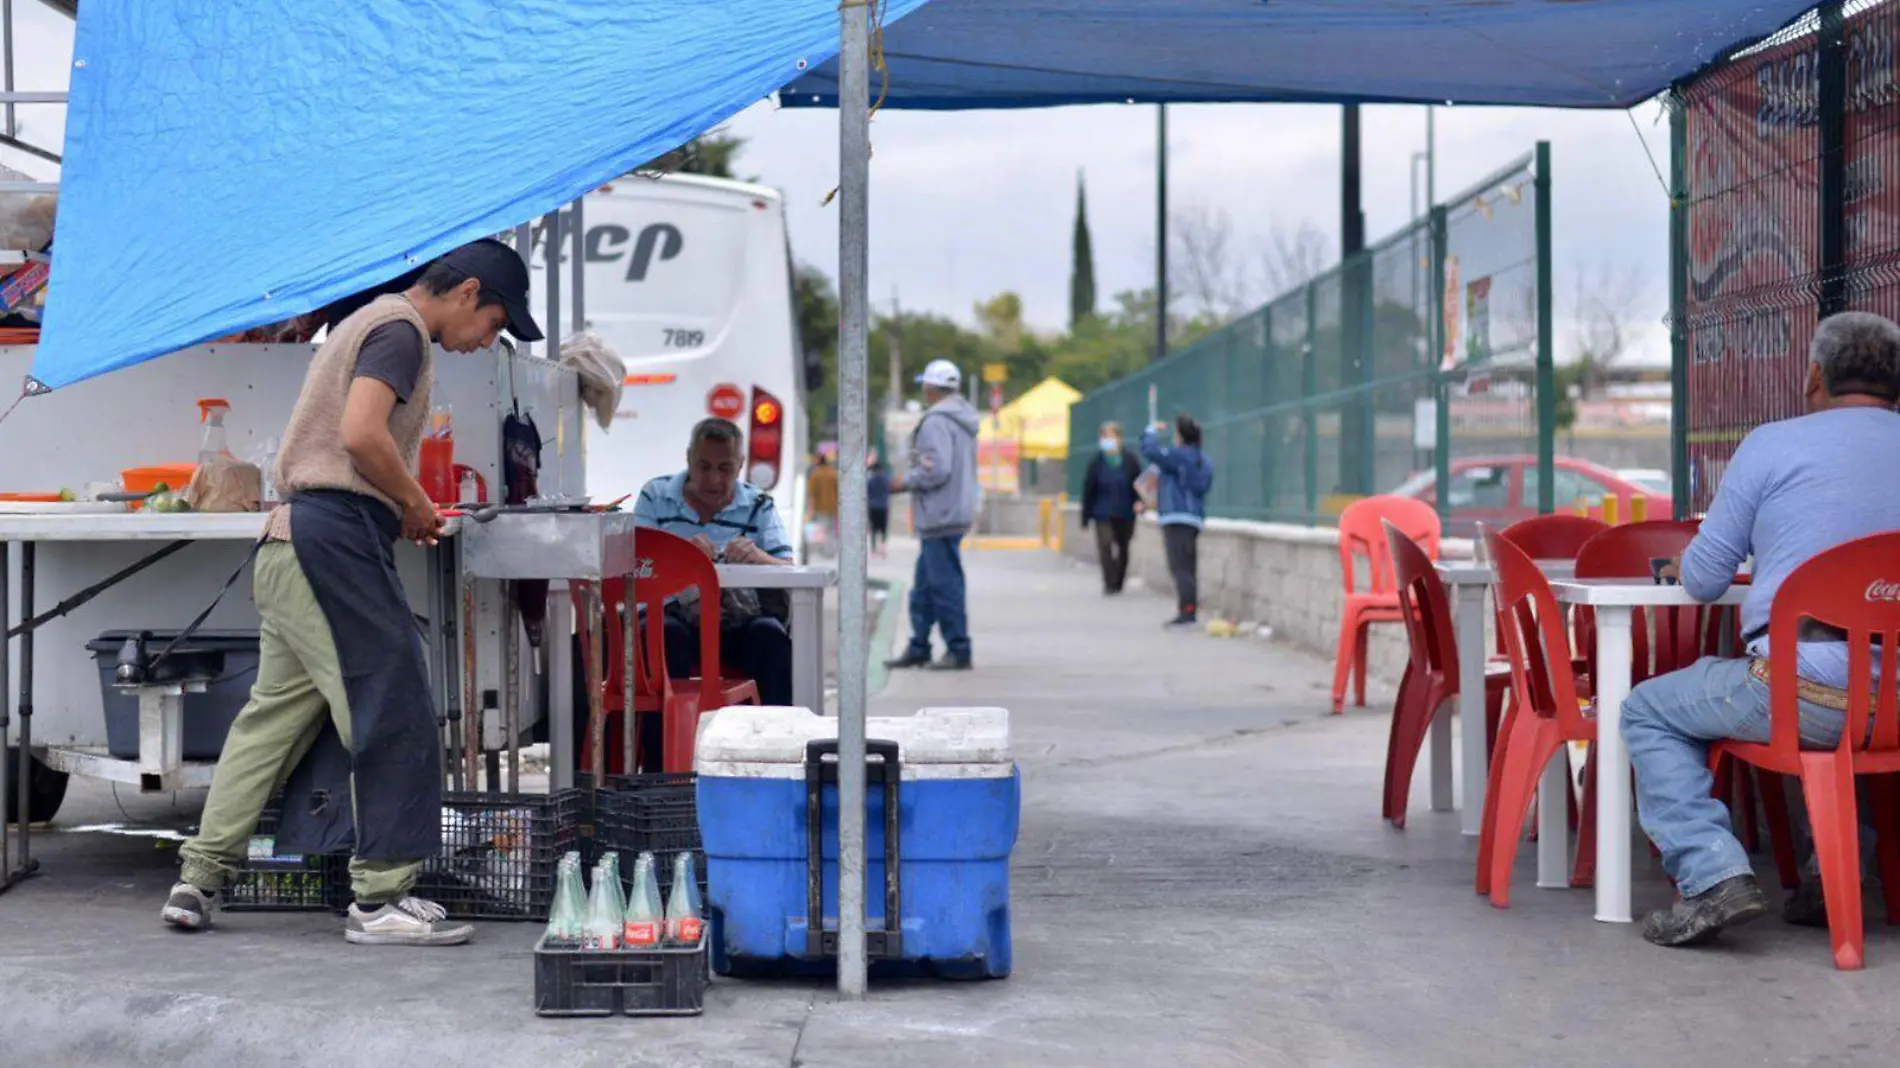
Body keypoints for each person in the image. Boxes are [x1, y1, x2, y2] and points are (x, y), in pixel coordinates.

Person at [163, 238, 544, 945]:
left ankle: (199, 877)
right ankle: (381, 898)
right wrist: (415, 502)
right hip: (328, 544)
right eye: (493, 323)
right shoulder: (401, 330)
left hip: (292, 544)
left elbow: (349, 445)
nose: (487, 339)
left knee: (270, 721)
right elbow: (363, 434)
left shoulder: (371, 321)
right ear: (466, 294)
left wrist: (395, 506)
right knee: (393, 708)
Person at [1625, 310, 1900, 948]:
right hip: (1894, 700)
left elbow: (1703, 579)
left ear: (1814, 379)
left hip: (1806, 691)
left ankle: (1711, 874)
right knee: (1826, 725)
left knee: (1649, 710)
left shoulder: (1773, 445)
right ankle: (1834, 884)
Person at [633, 417, 796, 708]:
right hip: (669, 619)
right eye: (703, 466)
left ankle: (772, 742)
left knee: (771, 638)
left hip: (738, 624)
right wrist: (679, 556)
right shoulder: (655, 496)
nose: (713, 479)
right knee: (664, 636)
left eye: (725, 469)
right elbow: (633, 566)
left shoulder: (759, 505)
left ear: (741, 466)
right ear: (688, 459)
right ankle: (661, 750)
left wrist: (759, 558)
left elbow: (790, 570)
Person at [885, 359, 980, 671]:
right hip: (953, 510)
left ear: (929, 388)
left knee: (944, 585)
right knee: (924, 587)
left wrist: (905, 482)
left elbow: (936, 469)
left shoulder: (937, 421)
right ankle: (919, 646)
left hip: (940, 513)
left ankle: (958, 648)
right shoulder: (961, 419)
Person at [1141, 413, 1214, 628]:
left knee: (1179, 567)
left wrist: (1149, 432)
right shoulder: (1204, 460)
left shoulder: (1178, 456)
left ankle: (1187, 612)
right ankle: (1188, 610)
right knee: (1188, 567)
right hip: (1194, 518)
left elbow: (1150, 451)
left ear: (1180, 437)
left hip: (1175, 516)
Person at [1080, 421, 1142, 594]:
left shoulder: (1130, 460)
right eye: (1104, 436)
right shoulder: (1096, 462)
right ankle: (1109, 581)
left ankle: (1119, 579)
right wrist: (1085, 515)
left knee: (1123, 547)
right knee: (1105, 544)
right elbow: (1088, 489)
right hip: (1102, 512)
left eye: (1111, 436)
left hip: (1125, 512)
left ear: (1119, 438)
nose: (1107, 440)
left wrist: (1139, 501)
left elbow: (1139, 484)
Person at [805, 453, 839, 559]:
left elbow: (811, 493)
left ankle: (824, 550)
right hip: (833, 506)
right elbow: (838, 490)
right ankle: (831, 550)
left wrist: (810, 508)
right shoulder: (833, 473)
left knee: (822, 528)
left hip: (820, 507)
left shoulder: (816, 474)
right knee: (831, 529)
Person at [866, 456, 892, 558]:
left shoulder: (871, 480)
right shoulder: (886, 479)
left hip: (873, 506)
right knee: (883, 529)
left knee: (873, 528)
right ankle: (883, 548)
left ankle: (874, 550)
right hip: (883, 506)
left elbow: (868, 492)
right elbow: (890, 490)